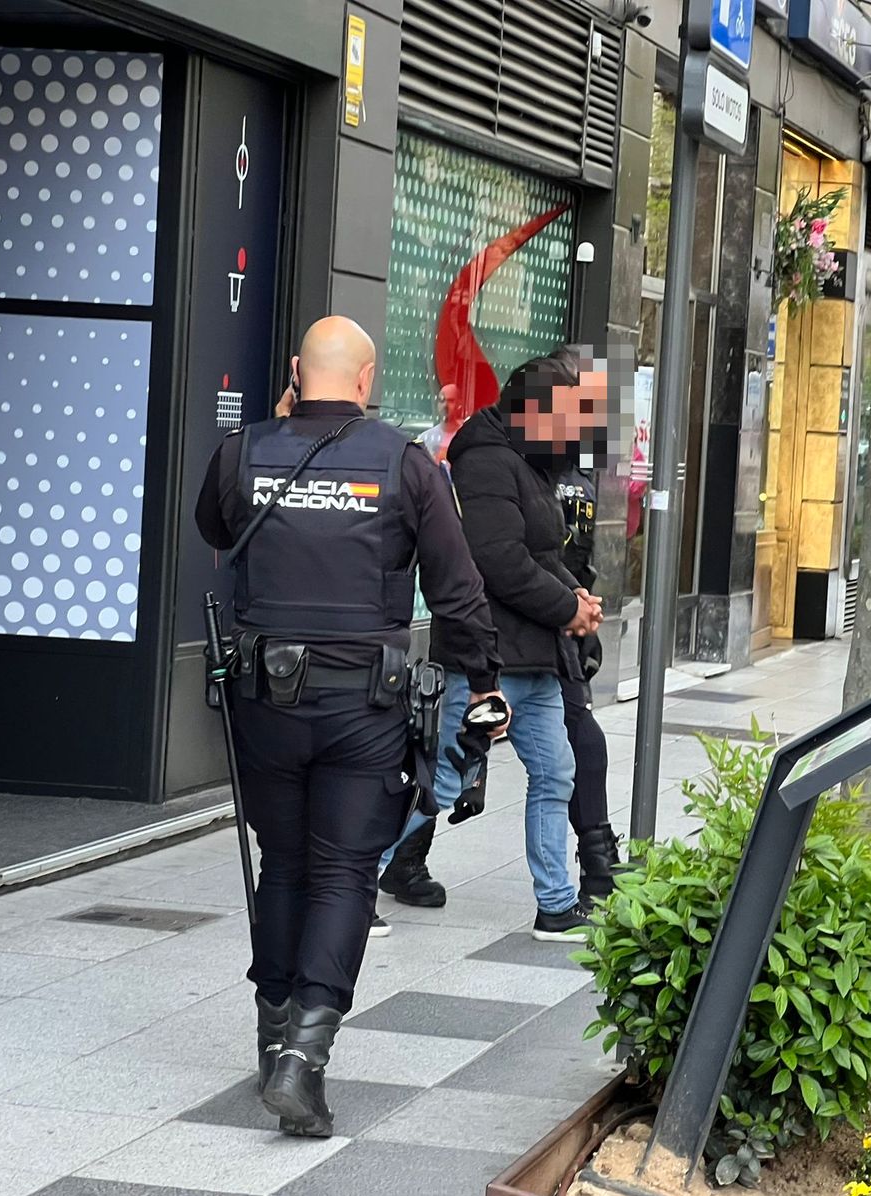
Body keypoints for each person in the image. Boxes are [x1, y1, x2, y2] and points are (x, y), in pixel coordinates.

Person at [195, 316, 506, 1138]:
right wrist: (486, 685)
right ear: (365, 382)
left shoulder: (243, 452)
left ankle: (272, 1035)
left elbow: (216, 531)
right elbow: (456, 588)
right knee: (342, 873)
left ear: (298, 371)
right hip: (362, 706)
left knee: (285, 862)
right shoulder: (405, 466)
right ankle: (304, 1055)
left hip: (265, 701)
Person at [435, 348, 605, 942]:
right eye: (565, 422)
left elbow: (542, 553)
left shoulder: (530, 462)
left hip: (532, 661)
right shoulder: (486, 462)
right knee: (446, 779)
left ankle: (555, 904)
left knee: (555, 773)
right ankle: (358, 878)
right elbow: (497, 561)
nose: (573, 437)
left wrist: (578, 598)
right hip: (489, 660)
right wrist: (568, 609)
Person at [555, 457, 620, 902]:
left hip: (563, 624)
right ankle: (399, 856)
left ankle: (599, 867)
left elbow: (583, 554)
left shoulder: (582, 472)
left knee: (585, 745)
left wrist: (581, 608)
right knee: (456, 760)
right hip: (510, 623)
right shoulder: (510, 464)